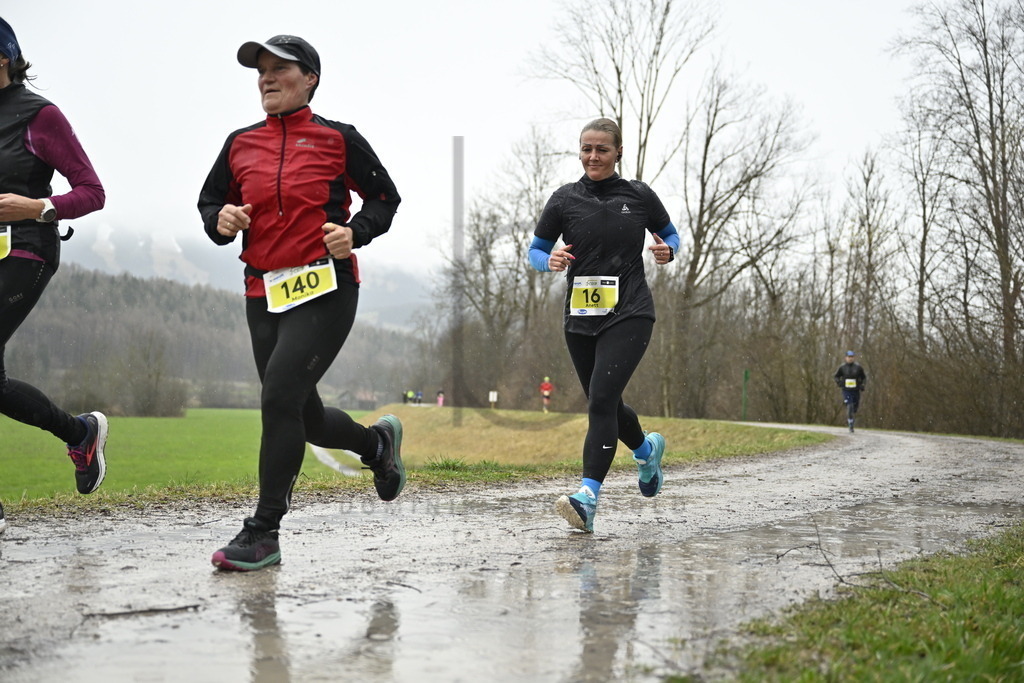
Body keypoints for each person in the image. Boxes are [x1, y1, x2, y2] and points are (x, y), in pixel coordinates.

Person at [198, 34, 405, 571]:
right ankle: (377, 445)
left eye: (278, 69)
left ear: (310, 77)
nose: (266, 78)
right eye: (260, 71)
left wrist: (355, 232)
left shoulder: (339, 138)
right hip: (262, 291)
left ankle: (263, 532)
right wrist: (221, 221)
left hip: (325, 289)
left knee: (279, 398)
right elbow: (210, 201)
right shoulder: (240, 143)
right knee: (303, 414)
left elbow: (386, 198)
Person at [528, 117, 679, 533]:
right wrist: (550, 260)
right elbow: (536, 251)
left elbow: (671, 236)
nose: (593, 156)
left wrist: (667, 251)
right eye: (586, 149)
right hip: (580, 318)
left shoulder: (639, 196)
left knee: (600, 400)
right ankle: (647, 450)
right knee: (605, 403)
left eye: (602, 150)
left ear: (618, 153)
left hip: (630, 311)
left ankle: (587, 498)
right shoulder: (564, 200)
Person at [0, 16, 108, 535]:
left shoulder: (39, 116)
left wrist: (36, 206)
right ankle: (80, 432)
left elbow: (91, 191)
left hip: (25, 252)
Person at [834, 350, 867, 432]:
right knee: (850, 405)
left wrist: (862, 385)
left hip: (855, 390)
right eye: (849, 357)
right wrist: (839, 383)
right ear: (846, 358)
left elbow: (864, 378)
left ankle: (852, 417)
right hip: (846, 390)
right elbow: (836, 376)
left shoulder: (858, 368)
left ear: (854, 358)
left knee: (855, 408)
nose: (850, 359)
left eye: (852, 357)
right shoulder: (842, 367)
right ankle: (850, 424)